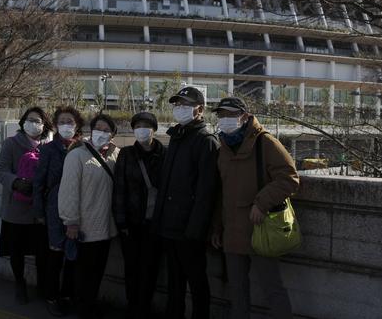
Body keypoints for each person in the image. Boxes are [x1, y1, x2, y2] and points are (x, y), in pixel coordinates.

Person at [210, 97, 298, 319]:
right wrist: (217, 226)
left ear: (245, 116)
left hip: (261, 229)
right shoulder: (224, 148)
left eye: (231, 115)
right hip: (232, 232)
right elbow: (222, 191)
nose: (225, 120)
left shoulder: (265, 142)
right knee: (237, 293)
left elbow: (289, 179)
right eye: (221, 115)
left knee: (272, 290)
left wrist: (261, 203)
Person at [153, 86, 220, 319]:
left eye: (185, 105)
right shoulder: (177, 137)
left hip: (189, 230)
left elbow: (206, 192)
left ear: (199, 109)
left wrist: (195, 230)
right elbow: (166, 185)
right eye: (177, 104)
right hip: (169, 226)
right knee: (174, 282)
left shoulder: (206, 141)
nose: (179, 109)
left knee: (197, 282)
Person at [58, 113, 120, 319]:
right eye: (98, 128)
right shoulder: (76, 155)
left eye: (106, 129)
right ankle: (83, 308)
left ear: (112, 135)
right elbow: (68, 191)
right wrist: (71, 221)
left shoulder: (115, 155)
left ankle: (90, 304)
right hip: (83, 227)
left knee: (97, 272)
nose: (101, 132)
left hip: (106, 226)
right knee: (82, 273)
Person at [0, 106, 53, 305]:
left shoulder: (49, 145)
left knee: (42, 251)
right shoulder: (11, 143)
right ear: (22, 122)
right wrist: (16, 182)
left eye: (38, 120)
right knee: (17, 250)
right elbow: (1, 170)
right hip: (16, 207)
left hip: (41, 208)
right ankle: (19, 283)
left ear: (45, 124)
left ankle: (42, 286)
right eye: (30, 119)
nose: (34, 123)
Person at [113, 112, 166, 319]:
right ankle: (133, 306)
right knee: (132, 269)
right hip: (131, 224)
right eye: (138, 125)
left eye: (146, 125)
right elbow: (119, 189)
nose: (142, 129)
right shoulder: (126, 154)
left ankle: (144, 307)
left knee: (151, 269)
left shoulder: (165, 154)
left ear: (154, 129)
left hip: (156, 224)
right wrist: (121, 221)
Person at [33, 106, 84, 316]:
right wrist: (39, 212)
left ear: (77, 125)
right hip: (54, 209)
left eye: (70, 122)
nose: (66, 125)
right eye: (62, 121)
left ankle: (68, 295)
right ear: (55, 125)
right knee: (54, 255)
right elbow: (39, 184)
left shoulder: (83, 148)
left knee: (73, 255)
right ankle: (51, 296)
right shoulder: (47, 150)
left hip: (79, 208)